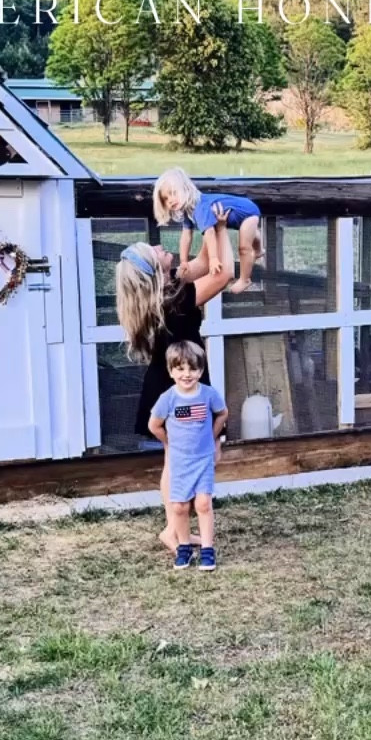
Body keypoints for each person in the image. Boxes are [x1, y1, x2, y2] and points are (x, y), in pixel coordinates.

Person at [114, 210, 234, 551]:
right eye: (154, 250)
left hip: (166, 384)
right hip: (180, 389)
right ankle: (172, 529)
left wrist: (201, 222)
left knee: (175, 459)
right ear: (156, 271)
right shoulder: (176, 301)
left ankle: (174, 528)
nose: (158, 244)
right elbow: (223, 273)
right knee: (177, 460)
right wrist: (221, 226)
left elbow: (205, 261)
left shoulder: (163, 295)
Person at [148, 342, 228, 571]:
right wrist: (168, 442)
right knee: (180, 507)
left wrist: (213, 439)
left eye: (192, 369)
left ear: (201, 371)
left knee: (203, 504)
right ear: (171, 371)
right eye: (180, 369)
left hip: (203, 459)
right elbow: (154, 425)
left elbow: (222, 413)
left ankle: (207, 550)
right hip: (179, 462)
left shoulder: (208, 394)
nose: (187, 374)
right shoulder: (168, 398)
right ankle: (184, 548)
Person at [153, 167, 263, 295]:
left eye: (173, 193)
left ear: (186, 188)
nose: (170, 200)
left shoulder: (200, 208)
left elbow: (210, 233)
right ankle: (259, 250)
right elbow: (186, 235)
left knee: (244, 248)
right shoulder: (188, 210)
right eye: (165, 199)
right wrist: (183, 261)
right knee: (250, 232)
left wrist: (214, 259)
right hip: (243, 216)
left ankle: (245, 279)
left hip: (248, 213)